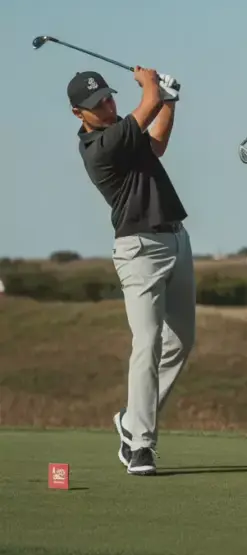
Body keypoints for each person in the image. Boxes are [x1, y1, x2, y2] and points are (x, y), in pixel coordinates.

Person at [71, 66, 194, 476]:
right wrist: (153, 85)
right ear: (79, 114)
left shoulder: (125, 134)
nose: (107, 105)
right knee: (148, 342)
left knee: (181, 343)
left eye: (108, 96)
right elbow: (148, 106)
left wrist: (169, 102)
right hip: (139, 248)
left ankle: (131, 418)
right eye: (97, 104)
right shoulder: (100, 145)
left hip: (176, 239)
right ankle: (140, 443)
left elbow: (155, 143)